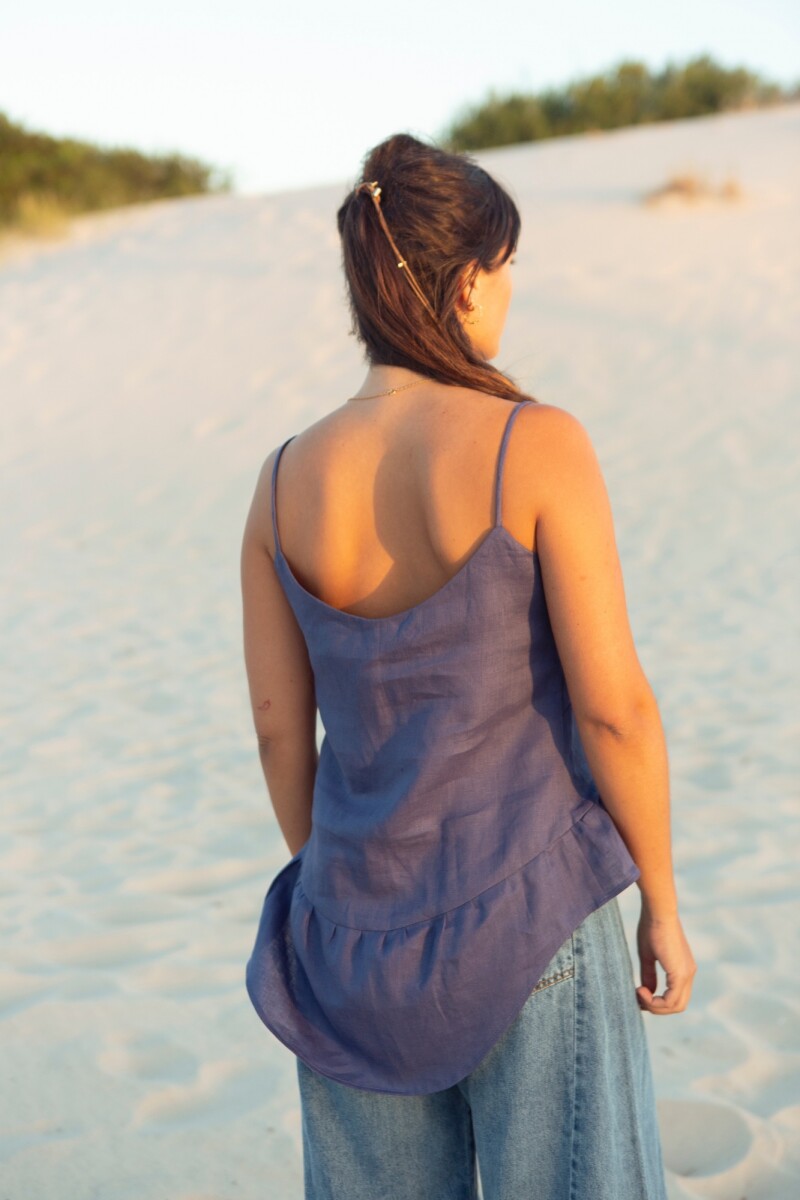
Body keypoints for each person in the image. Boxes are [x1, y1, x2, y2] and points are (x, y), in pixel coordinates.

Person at [240, 132, 696, 1199]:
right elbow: (615, 708)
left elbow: (277, 733)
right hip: (529, 919)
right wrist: (660, 901)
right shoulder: (531, 442)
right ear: (461, 285)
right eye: (503, 269)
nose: (507, 295)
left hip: (347, 944)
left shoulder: (277, 485)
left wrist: (350, 886)